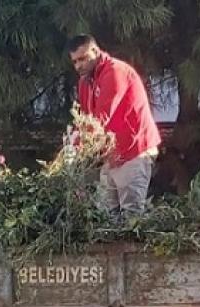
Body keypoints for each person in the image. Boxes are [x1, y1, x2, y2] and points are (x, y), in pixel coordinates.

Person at [68, 34, 162, 216]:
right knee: (105, 216)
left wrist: (74, 149)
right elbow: (85, 119)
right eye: (74, 62)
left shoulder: (115, 71)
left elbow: (101, 118)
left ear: (95, 51)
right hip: (112, 155)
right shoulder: (85, 81)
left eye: (83, 59)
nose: (78, 65)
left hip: (134, 150)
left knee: (131, 216)